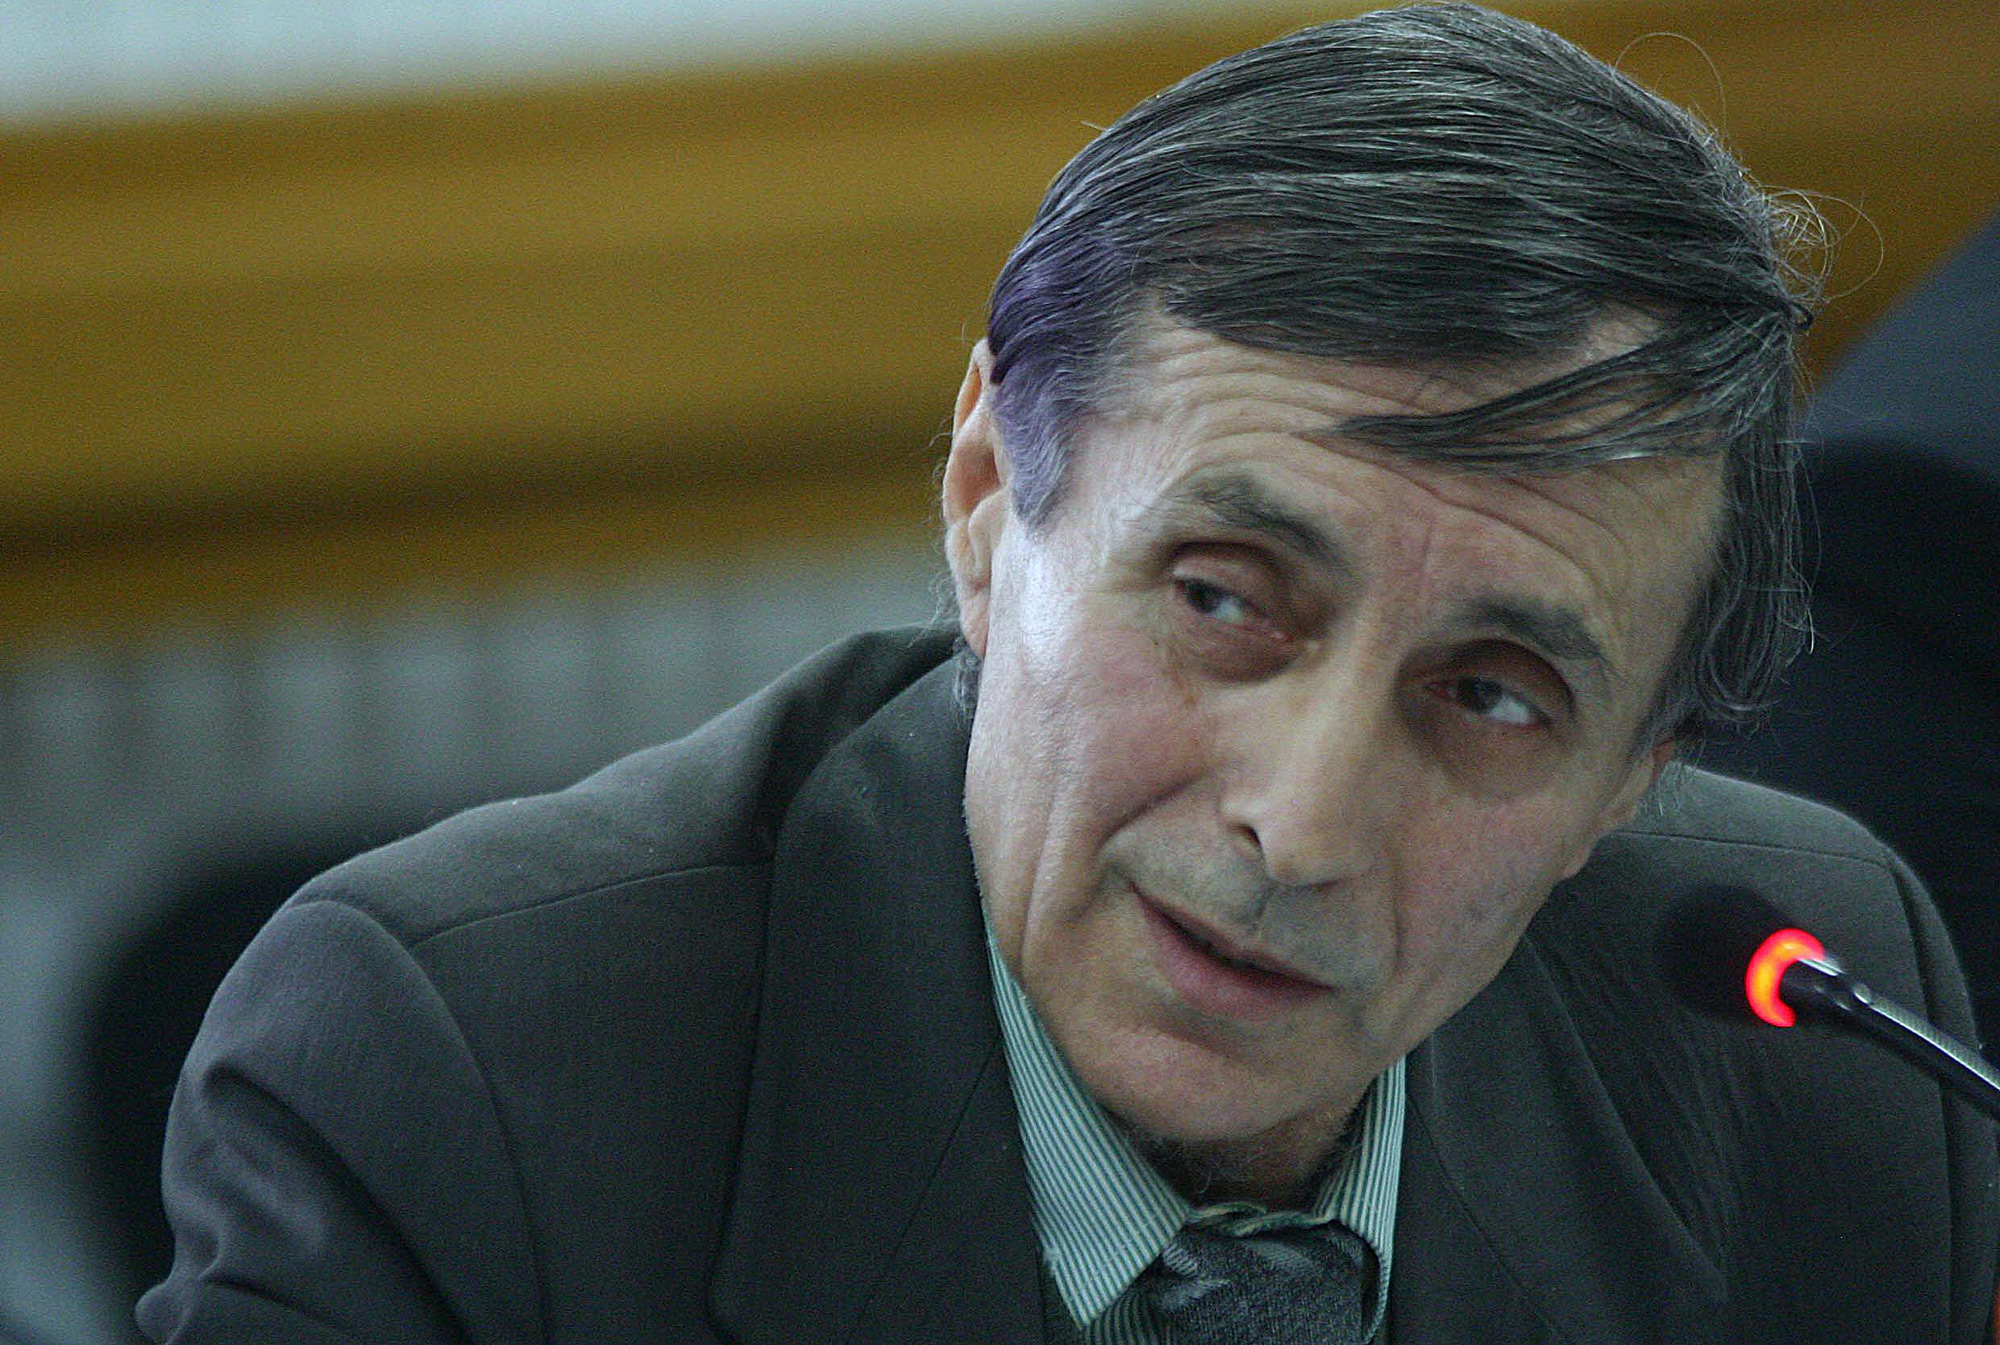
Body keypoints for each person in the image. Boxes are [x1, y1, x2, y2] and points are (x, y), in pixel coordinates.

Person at [139, 6, 1998, 1343]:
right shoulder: (464, 1079)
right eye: (1223, 598)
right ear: (984, 498)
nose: (1301, 822)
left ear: (1636, 777)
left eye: (1493, 696)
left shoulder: (1823, 1067)